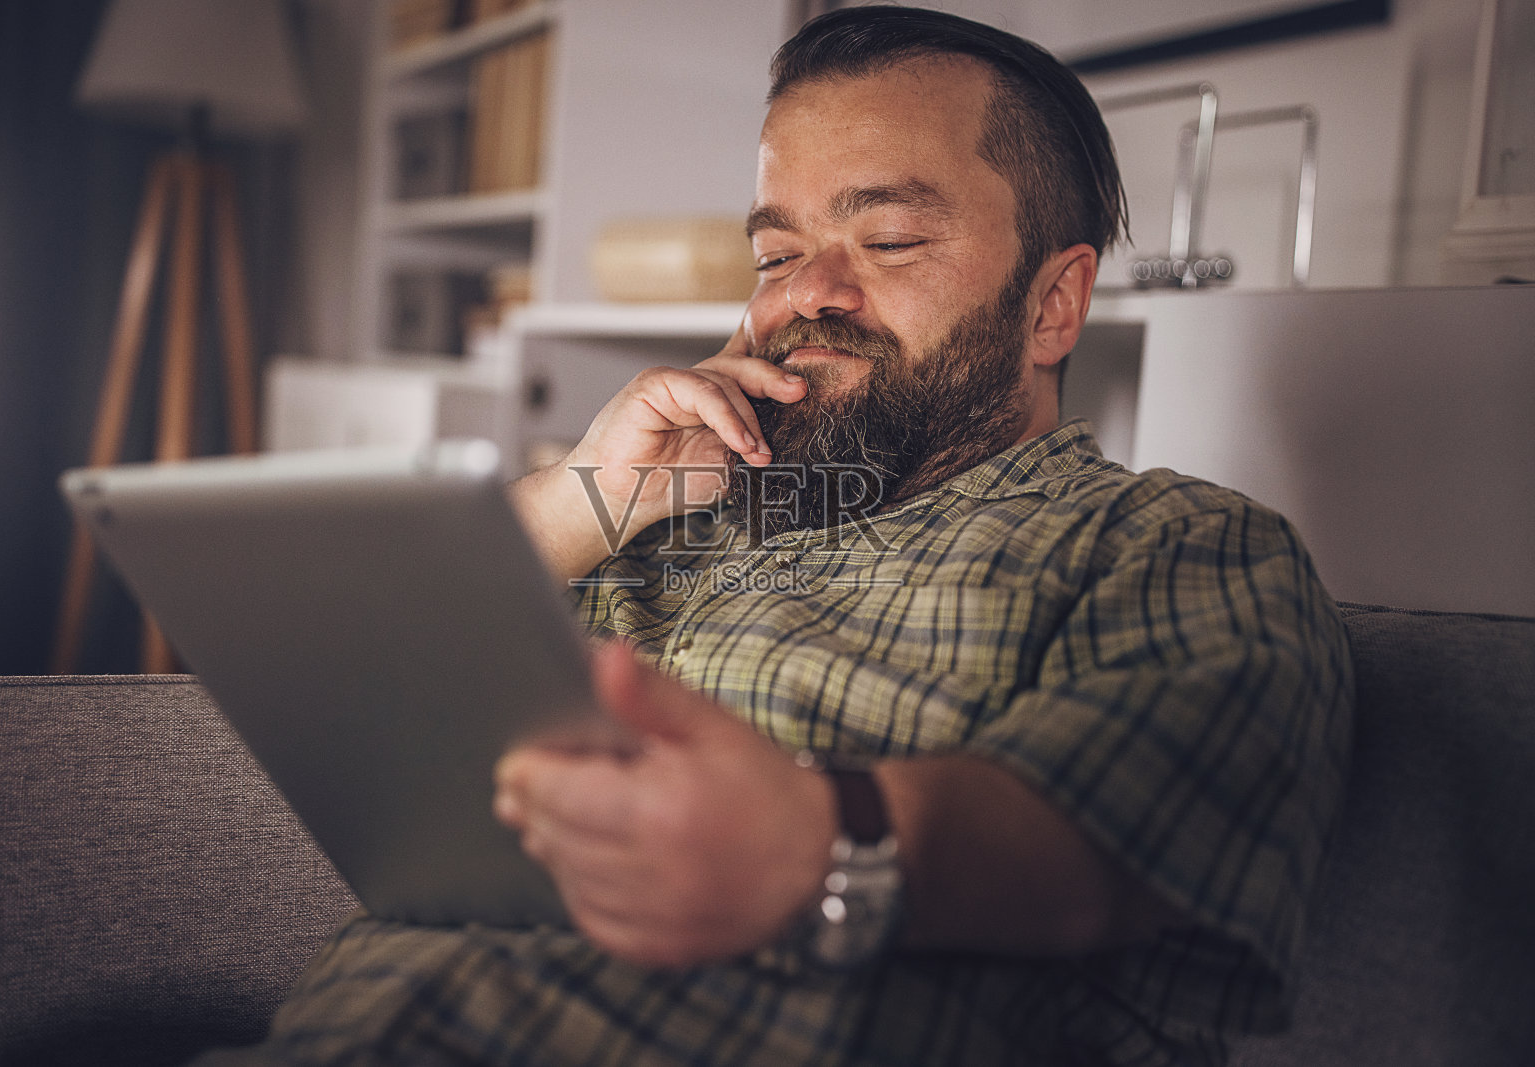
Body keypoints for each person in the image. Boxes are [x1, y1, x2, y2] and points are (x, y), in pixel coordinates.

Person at [202, 7, 1352, 1065]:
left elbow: (1125, 842)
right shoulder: (663, 519)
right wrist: (586, 493)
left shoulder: (1167, 542)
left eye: (887, 239)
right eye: (775, 253)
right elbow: (324, 682)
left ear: (1053, 304)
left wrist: (820, 842)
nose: (809, 293)